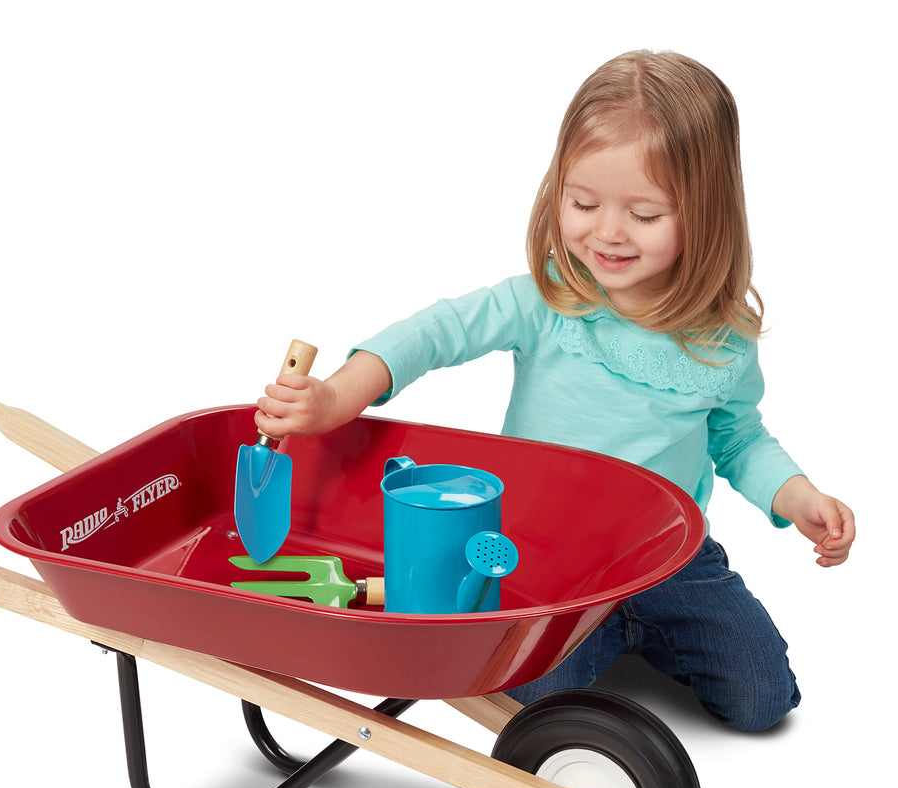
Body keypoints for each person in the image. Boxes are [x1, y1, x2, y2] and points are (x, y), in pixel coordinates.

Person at [252, 50, 855, 733]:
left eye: (645, 215)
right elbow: (435, 333)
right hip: (549, 561)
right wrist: (334, 399)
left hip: (669, 560)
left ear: (705, 215)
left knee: (763, 701)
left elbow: (739, 437)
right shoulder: (547, 301)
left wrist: (799, 496)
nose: (607, 232)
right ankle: (600, 636)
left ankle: (635, 630)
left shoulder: (723, 341)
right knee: (531, 708)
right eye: (584, 202)